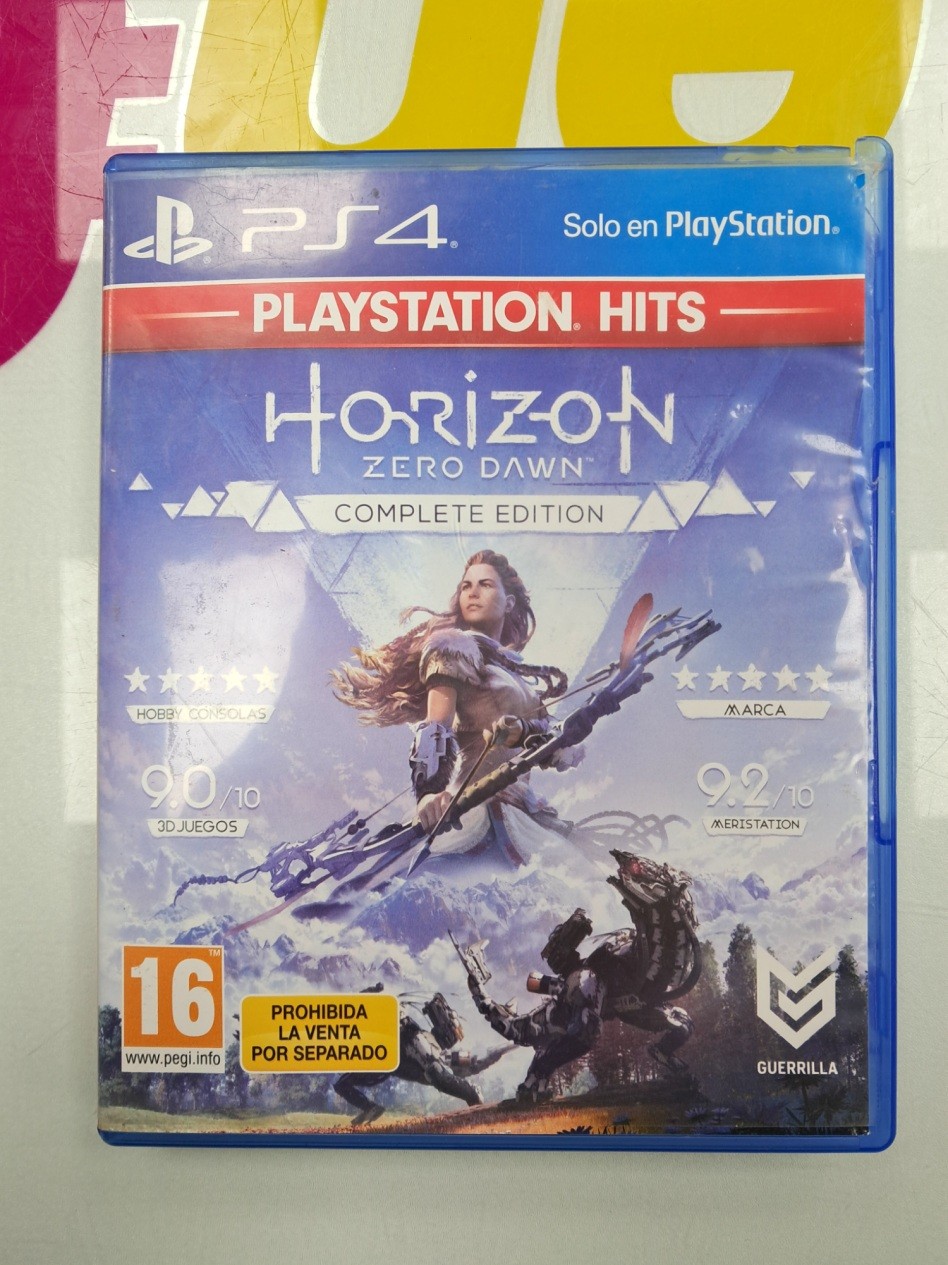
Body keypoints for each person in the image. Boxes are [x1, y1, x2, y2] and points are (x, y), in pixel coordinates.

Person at [331, 550, 583, 874]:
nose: (473, 592)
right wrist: (429, 793)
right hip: (471, 812)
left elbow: (547, 741)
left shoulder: (519, 679)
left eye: (485, 584)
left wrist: (569, 740)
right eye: (466, 586)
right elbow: (436, 726)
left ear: (509, 603)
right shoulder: (453, 647)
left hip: (525, 816)